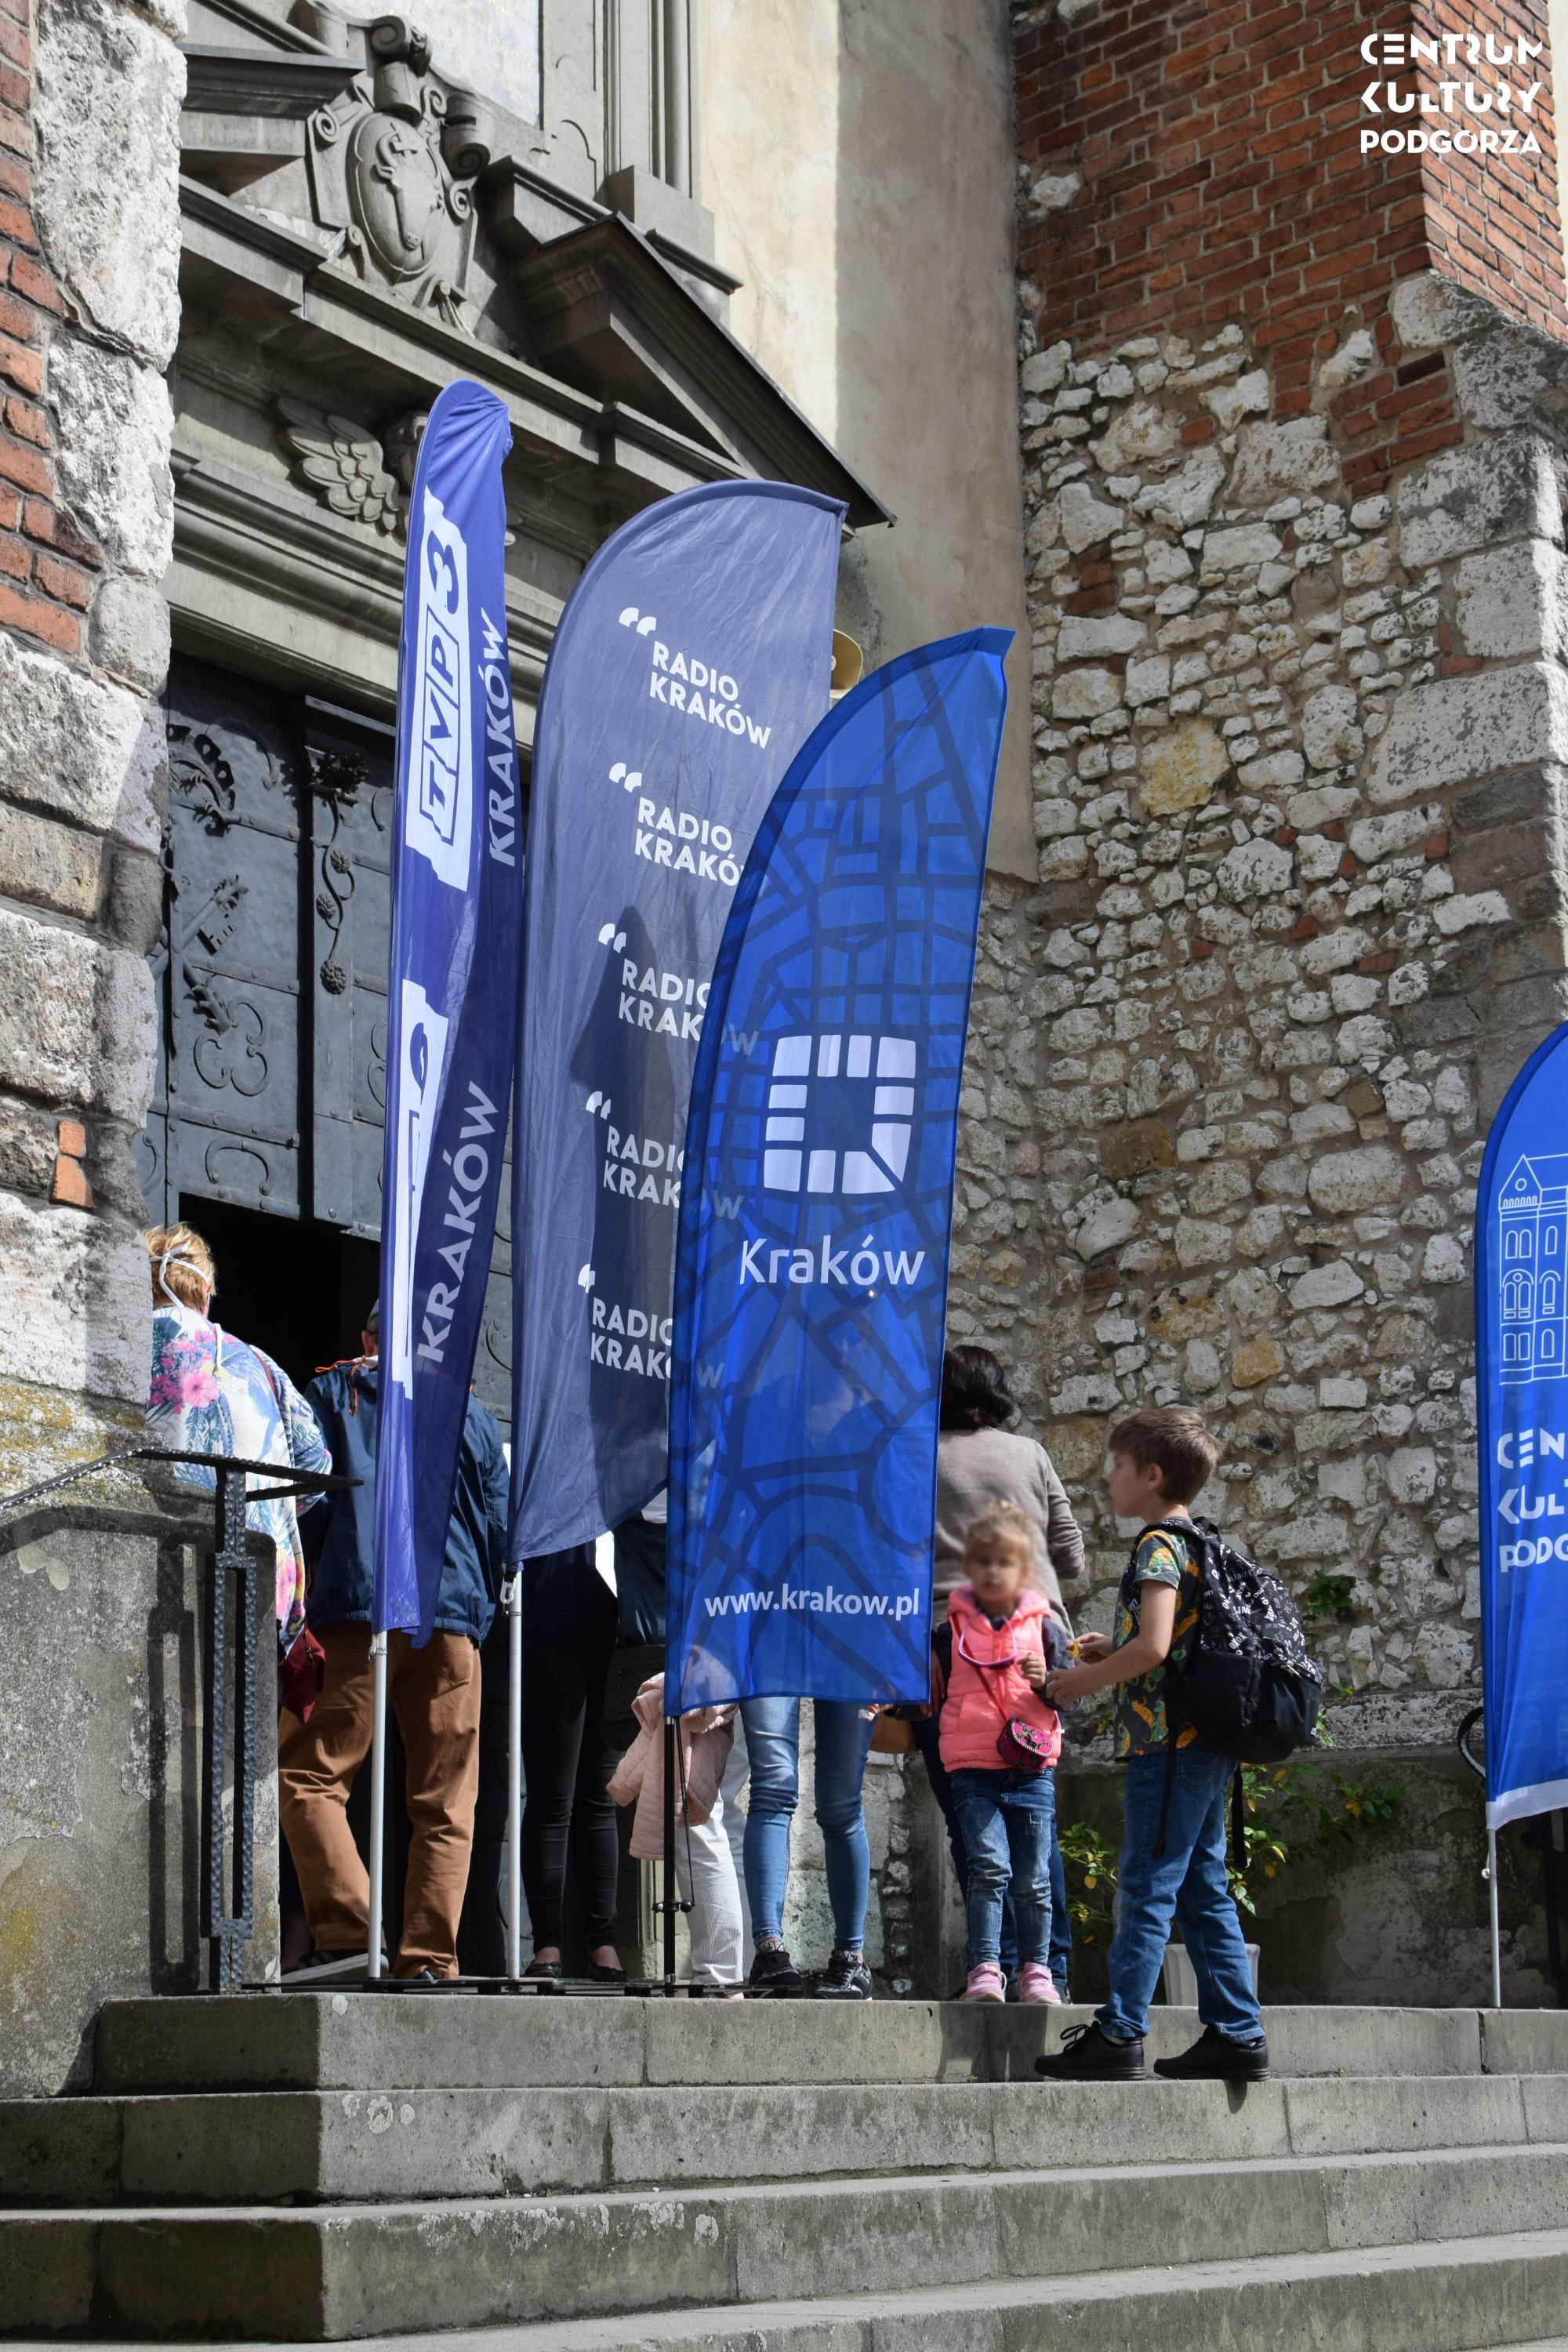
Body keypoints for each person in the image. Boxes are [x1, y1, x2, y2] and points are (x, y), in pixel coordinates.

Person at [1037, 1406, 1269, 2084]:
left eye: (1118, 1465)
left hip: (1169, 1748)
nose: (1108, 1477)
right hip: (1204, 1743)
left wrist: (1080, 1681)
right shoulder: (1201, 1541)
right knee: (1201, 1887)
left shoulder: (1158, 1545)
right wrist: (1116, 1651)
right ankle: (1238, 2032)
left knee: (1144, 1886)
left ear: (1153, 1475)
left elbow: (1156, 1646)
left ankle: (1120, 2032)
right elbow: (1166, 1645)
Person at [278, 1303, 508, 1983]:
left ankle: (352, 1932)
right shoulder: (472, 1413)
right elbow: (499, 1527)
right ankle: (430, 1960)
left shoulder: (332, 1392)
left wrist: (311, 1590)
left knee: (310, 1775)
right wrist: (477, 1609)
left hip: (357, 1610)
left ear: (367, 1339)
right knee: (446, 1800)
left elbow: (307, 1501)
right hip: (449, 1618)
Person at [918, 1345, 1083, 1993]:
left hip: (949, 1646)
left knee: (971, 1809)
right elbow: (1070, 1557)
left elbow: (894, 1556)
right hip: (1036, 1646)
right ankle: (1049, 1968)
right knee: (1035, 1811)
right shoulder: (1031, 1454)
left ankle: (994, 1963)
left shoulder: (919, 1457)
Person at [144, 1221, 330, 1657]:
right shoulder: (257, 1361)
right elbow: (316, 1464)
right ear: (206, 1292)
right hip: (260, 1576)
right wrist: (270, 1508)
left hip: (161, 1564)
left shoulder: (132, 1348)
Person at [938, 1502, 1065, 2003]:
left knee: (1033, 1878)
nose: (993, 1571)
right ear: (969, 1566)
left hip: (1031, 1770)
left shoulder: (1046, 1628)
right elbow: (929, 1688)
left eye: (1005, 1562)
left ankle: (1037, 1971)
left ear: (1024, 1569)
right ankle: (986, 1969)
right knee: (988, 1869)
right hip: (972, 1768)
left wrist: (1047, 1681)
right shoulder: (951, 1628)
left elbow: (1071, 1695)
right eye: (983, 1561)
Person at [741, 1691, 877, 2000]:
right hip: (773, 1656)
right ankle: (768, 1952)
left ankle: (851, 1959)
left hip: (849, 1658)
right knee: (772, 1787)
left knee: (840, 1804)